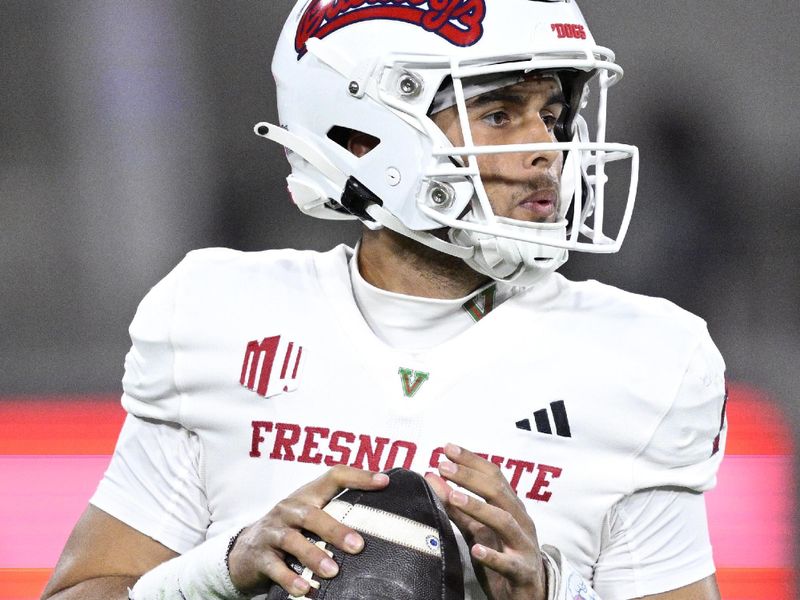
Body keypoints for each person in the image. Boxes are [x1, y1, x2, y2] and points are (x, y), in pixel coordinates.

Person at [42, 1, 727, 599]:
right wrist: (218, 572)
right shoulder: (219, 317)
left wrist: (551, 592)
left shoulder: (642, 361)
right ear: (363, 134)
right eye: (498, 113)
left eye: (550, 116)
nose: (546, 150)